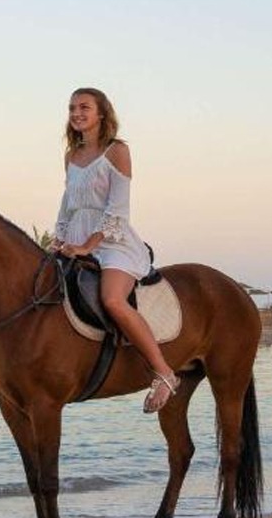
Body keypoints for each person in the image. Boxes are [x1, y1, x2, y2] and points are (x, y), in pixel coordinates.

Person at [50, 87, 178, 413]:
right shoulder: (71, 156)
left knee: (112, 299)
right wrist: (60, 237)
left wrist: (89, 245)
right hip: (77, 239)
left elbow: (118, 209)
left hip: (113, 242)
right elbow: (69, 204)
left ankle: (163, 372)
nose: (77, 113)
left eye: (84, 107)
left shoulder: (116, 151)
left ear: (101, 113)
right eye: (72, 108)